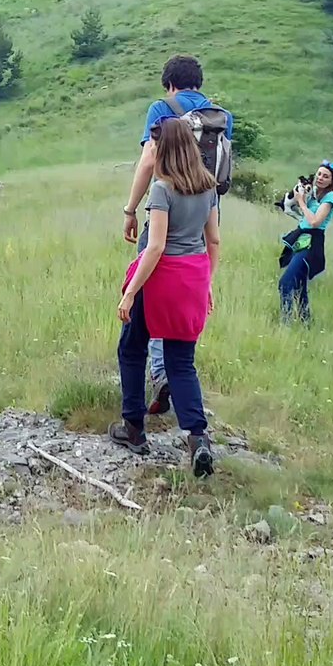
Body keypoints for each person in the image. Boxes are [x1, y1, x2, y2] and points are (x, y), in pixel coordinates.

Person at [122, 54, 233, 417]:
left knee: (148, 299)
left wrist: (130, 209)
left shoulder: (162, 108)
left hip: (164, 212)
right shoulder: (220, 117)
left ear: (169, 83)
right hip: (204, 212)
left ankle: (158, 375)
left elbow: (149, 160)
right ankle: (178, 379)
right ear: (198, 82)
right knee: (183, 302)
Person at [111, 117, 222, 478]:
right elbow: (214, 241)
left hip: (161, 279)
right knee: (180, 361)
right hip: (192, 278)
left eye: (153, 145)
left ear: (164, 149)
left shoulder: (162, 190)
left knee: (132, 347)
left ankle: (134, 428)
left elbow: (155, 246)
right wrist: (207, 282)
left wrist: (129, 293)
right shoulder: (209, 188)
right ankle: (198, 438)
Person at [278, 160, 333, 324]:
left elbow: (314, 222)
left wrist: (302, 203)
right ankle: (306, 323)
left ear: (332, 181)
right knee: (299, 285)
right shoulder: (314, 193)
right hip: (301, 237)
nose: (320, 178)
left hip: (312, 240)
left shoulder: (330, 197)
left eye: (325, 176)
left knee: (285, 283)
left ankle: (286, 323)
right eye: (319, 174)